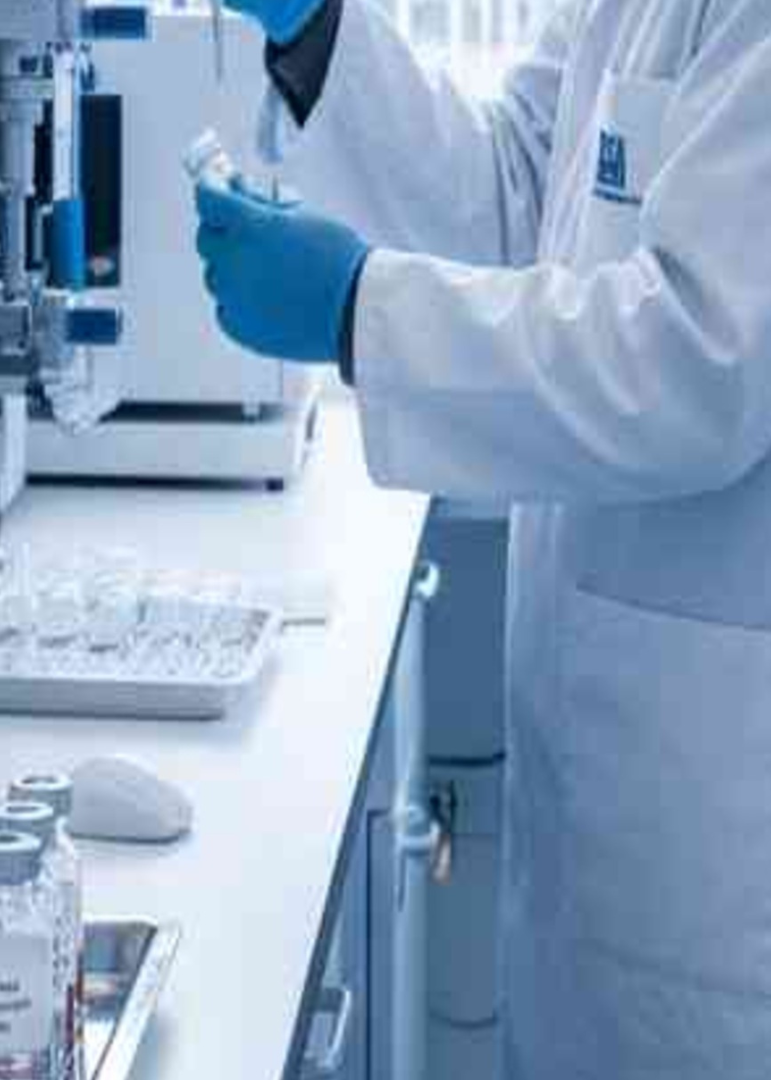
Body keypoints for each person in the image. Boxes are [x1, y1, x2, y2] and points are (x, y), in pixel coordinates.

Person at [191, 1, 771, 1077]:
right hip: (615, 817)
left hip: (721, 856)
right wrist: (318, 31)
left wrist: (358, 309)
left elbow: (702, 359)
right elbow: (517, 199)